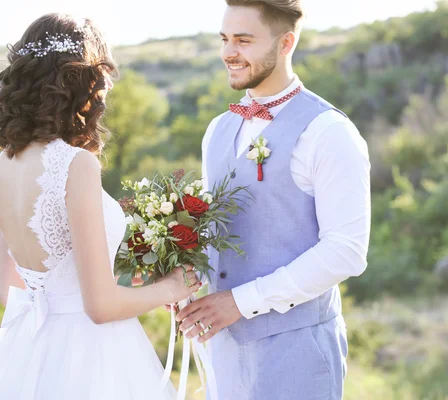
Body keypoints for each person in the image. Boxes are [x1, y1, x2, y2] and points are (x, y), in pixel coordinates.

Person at [175, 1, 372, 398]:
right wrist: (183, 283)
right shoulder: (217, 129)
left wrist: (239, 302)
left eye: (244, 40)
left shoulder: (329, 132)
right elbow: (221, 230)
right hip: (224, 355)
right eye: (225, 39)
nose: (229, 52)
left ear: (286, 43)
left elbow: (346, 251)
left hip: (297, 355)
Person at [0, 13, 200, 399]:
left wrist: (56, 301)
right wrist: (170, 288)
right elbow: (101, 306)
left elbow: (7, 284)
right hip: (91, 357)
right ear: (80, 83)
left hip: (28, 348)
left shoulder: (2, 163)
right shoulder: (76, 165)